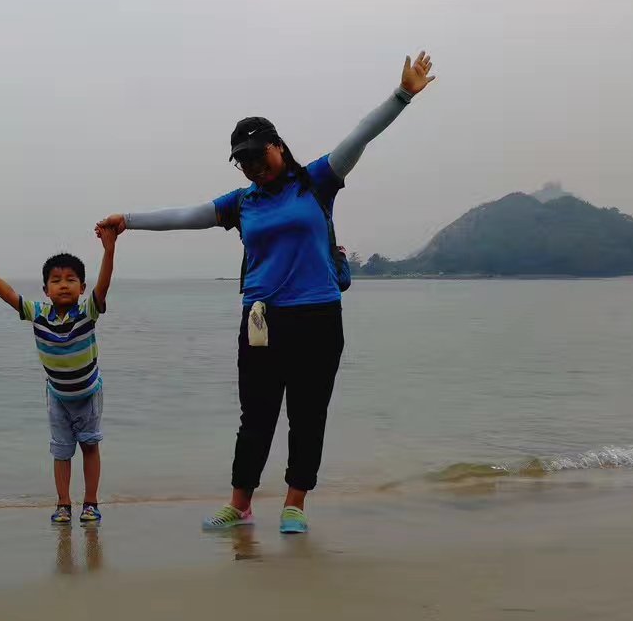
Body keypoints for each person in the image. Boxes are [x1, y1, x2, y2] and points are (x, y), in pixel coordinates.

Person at [96, 53, 436, 534]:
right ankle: (240, 505)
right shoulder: (242, 203)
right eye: (245, 162)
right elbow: (187, 216)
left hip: (317, 317)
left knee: (307, 415)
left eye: (260, 156)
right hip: (260, 321)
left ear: (279, 146)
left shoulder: (317, 180)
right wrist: (128, 221)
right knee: (255, 416)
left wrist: (402, 95)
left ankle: (295, 504)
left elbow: (361, 135)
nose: (254, 167)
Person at [0, 227, 117, 525]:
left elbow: (104, 284)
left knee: (90, 445)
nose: (64, 285)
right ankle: (63, 504)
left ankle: (90, 503)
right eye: (56, 280)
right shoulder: (38, 313)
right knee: (61, 451)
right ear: (46, 289)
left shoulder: (88, 311)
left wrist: (109, 249)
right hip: (57, 396)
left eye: (71, 279)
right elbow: (9, 295)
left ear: (82, 287)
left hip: (88, 393)